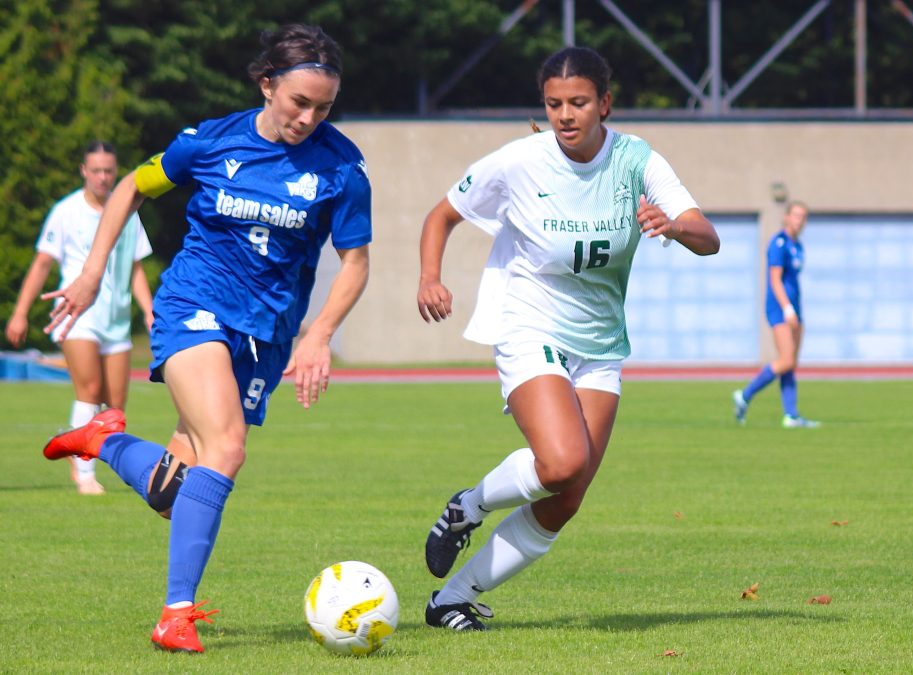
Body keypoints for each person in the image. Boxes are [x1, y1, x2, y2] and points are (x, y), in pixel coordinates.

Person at [39, 24, 372, 653]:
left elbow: (354, 262)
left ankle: (105, 440)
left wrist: (319, 334)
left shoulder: (343, 168)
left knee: (175, 493)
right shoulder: (211, 142)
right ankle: (176, 615)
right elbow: (135, 186)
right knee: (227, 446)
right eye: (299, 101)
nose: (309, 118)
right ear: (267, 84)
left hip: (266, 332)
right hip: (194, 304)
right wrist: (90, 272)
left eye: (323, 107)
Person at [416, 46, 720, 631]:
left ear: (605, 103)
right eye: (554, 104)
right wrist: (431, 277)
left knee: (567, 494)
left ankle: (451, 599)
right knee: (562, 461)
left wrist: (674, 225)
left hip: (601, 344)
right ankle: (468, 506)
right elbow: (442, 215)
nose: (565, 114)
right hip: (529, 324)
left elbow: (708, 237)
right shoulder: (520, 161)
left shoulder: (636, 161)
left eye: (578, 102)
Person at [5, 141, 154, 495]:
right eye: (96, 170)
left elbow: (135, 268)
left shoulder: (128, 212)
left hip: (116, 320)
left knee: (114, 406)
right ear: (84, 172)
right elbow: (43, 263)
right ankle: (84, 474)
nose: (103, 177)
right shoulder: (65, 211)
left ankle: (102, 458)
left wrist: (149, 312)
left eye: (109, 171)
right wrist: (20, 313)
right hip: (77, 317)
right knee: (87, 390)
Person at [732, 201, 819, 428]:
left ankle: (791, 415)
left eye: (804, 217)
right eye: (797, 215)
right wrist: (787, 307)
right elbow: (775, 279)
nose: (800, 221)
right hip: (780, 309)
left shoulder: (797, 246)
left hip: (795, 308)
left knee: (791, 364)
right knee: (786, 359)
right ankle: (745, 395)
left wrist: (796, 308)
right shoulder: (778, 244)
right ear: (787, 217)